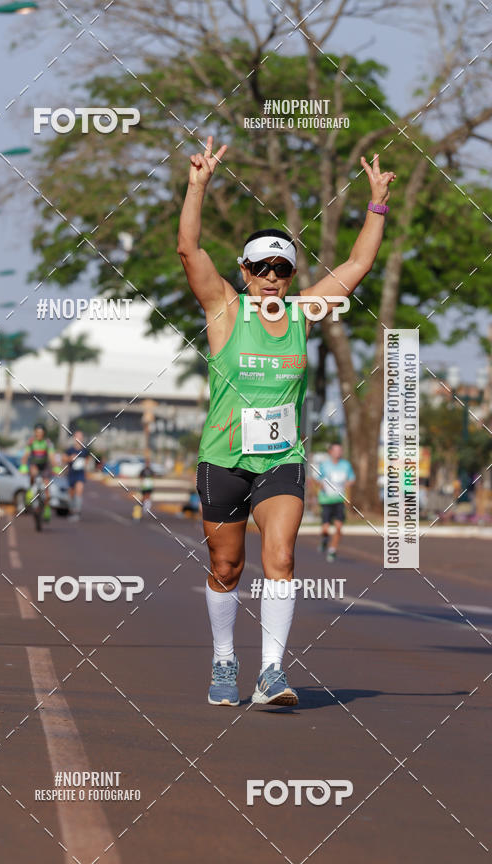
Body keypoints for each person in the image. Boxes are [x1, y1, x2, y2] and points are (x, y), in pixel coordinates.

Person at [178, 134, 395, 706]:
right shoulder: (226, 312)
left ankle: (271, 671)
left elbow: (357, 264)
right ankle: (224, 661)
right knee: (226, 566)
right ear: (245, 272)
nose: (272, 277)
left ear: (291, 275)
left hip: (281, 458)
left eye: (282, 268)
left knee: (281, 557)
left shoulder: (302, 314)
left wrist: (376, 205)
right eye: (261, 268)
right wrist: (197, 186)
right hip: (223, 459)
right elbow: (189, 253)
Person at [315, 443, 355, 562]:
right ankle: (325, 540)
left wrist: (347, 485)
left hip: (339, 500)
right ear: (330, 452)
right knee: (325, 528)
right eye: (335, 450)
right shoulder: (324, 465)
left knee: (338, 527)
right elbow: (316, 480)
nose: (338, 452)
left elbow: (352, 479)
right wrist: (321, 486)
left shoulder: (346, 465)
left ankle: (332, 550)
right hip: (326, 500)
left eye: (340, 450)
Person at [20, 423, 54, 522]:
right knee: (33, 473)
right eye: (37, 432)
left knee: (47, 491)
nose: (39, 434)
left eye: (41, 433)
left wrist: (56, 466)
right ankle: (30, 492)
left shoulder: (48, 443)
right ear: (35, 433)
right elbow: (25, 455)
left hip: (45, 466)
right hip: (34, 465)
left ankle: (47, 510)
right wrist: (23, 466)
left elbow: (52, 456)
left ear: (44, 433)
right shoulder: (31, 442)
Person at [64, 430, 90, 520]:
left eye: (80, 437)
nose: (79, 439)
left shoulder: (85, 450)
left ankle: (77, 512)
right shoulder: (70, 450)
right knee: (71, 494)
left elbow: (87, 459)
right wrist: (70, 458)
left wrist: (85, 465)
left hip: (80, 474)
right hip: (71, 473)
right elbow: (64, 458)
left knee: (79, 491)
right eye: (77, 437)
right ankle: (71, 510)